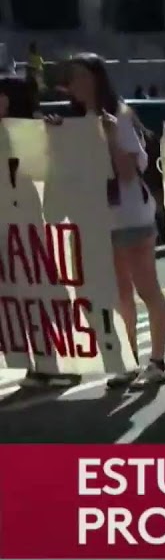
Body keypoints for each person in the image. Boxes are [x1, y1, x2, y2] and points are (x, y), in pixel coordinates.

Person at [48, 53, 165, 389]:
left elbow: (129, 173)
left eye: (82, 76)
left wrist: (112, 136)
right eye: (72, 78)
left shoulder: (120, 116)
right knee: (118, 293)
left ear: (98, 79)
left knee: (147, 289)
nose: (77, 84)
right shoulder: (75, 121)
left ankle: (157, 361)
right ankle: (130, 360)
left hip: (130, 215)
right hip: (99, 219)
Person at [1, 74, 86, 390]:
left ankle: (60, 361)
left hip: (33, 224)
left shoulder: (38, 130)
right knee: (16, 298)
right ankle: (35, 362)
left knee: (43, 294)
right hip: (5, 227)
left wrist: (56, 136)